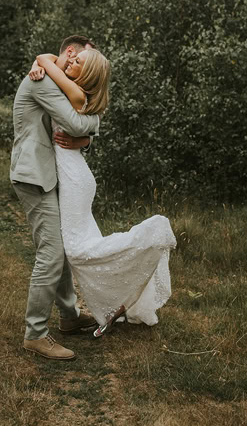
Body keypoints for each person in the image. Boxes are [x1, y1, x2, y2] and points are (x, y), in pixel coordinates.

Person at [30, 45, 175, 339]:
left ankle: (150, 234)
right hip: (76, 174)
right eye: (73, 57)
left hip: (73, 177)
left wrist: (42, 65)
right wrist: (41, 68)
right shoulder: (74, 94)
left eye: (78, 61)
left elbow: (45, 57)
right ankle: (115, 300)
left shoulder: (76, 93)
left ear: (87, 74)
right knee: (85, 246)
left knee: (77, 251)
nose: (70, 61)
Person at [11, 35, 102, 361]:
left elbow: (79, 129)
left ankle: (69, 317)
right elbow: (78, 122)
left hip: (50, 174)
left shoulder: (53, 75)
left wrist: (85, 139)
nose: (84, 70)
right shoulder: (42, 79)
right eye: (83, 62)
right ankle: (35, 334)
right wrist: (95, 123)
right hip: (33, 175)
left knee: (61, 248)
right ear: (71, 52)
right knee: (51, 254)